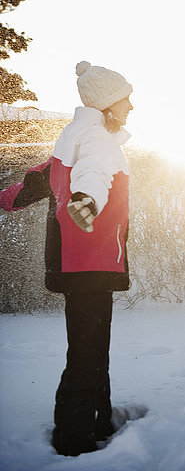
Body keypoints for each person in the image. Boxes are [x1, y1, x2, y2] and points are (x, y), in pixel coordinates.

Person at [0, 60, 133, 456]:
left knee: (91, 346)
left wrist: (7, 198)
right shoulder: (96, 140)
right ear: (108, 104)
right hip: (90, 262)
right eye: (127, 100)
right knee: (88, 352)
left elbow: (39, 178)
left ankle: (99, 420)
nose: (131, 107)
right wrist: (85, 202)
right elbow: (92, 176)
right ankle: (74, 439)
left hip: (77, 262)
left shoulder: (73, 133)